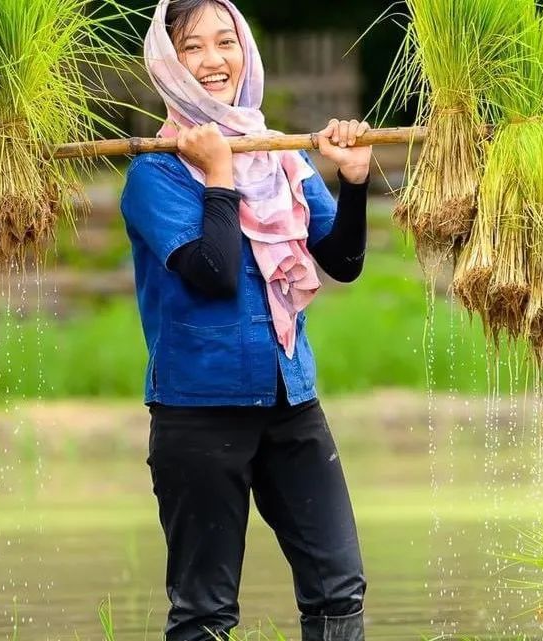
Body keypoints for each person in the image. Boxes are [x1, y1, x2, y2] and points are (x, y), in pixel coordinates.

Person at [119, 1, 371, 639]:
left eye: (224, 42)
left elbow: (342, 260)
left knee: (338, 589)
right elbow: (215, 272)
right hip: (198, 414)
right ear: (169, 65)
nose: (213, 60)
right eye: (192, 47)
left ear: (246, 51)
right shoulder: (153, 174)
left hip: (292, 399)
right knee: (205, 611)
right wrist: (220, 173)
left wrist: (357, 182)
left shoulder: (281, 159)